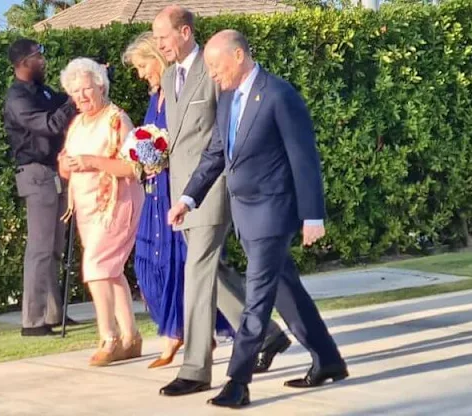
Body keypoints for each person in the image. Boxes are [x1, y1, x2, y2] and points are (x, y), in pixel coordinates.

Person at [168, 30, 348, 408]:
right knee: (286, 288)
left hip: (272, 211)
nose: (212, 74)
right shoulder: (228, 98)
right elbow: (216, 154)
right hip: (244, 212)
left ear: (238, 56)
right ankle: (328, 359)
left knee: (258, 296)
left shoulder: (279, 95)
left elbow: (304, 158)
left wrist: (312, 214)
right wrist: (188, 197)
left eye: (216, 66)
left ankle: (238, 380)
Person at [152, 5, 291, 397]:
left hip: (213, 189)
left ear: (185, 32)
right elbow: (180, 137)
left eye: (163, 36)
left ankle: (195, 368)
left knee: (196, 273)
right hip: (185, 190)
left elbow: (230, 130)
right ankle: (267, 335)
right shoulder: (167, 75)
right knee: (214, 271)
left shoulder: (212, 70)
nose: (159, 44)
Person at [122, 32, 235, 369]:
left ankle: (187, 339)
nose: (142, 74)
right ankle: (195, 333)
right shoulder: (158, 94)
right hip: (158, 191)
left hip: (186, 189)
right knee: (157, 265)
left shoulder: (185, 86)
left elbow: (197, 136)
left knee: (188, 265)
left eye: (143, 65)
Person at [58, 57, 145, 367]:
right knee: (110, 270)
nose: (81, 96)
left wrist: (92, 162)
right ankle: (131, 338)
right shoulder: (77, 123)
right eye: (75, 91)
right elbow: (66, 164)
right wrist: (66, 165)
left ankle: (108, 337)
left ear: (101, 85)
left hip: (117, 204)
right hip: (86, 208)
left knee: (95, 268)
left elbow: (134, 166)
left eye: (86, 89)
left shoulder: (117, 119)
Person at [3, 38, 79, 337]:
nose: (43, 60)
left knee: (54, 248)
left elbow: (63, 103)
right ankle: (32, 321)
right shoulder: (17, 99)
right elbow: (48, 125)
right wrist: (72, 104)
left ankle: (53, 313)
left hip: (55, 173)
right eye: (38, 55)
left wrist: (82, 88)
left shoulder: (43, 91)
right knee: (39, 250)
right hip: (36, 175)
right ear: (23, 62)